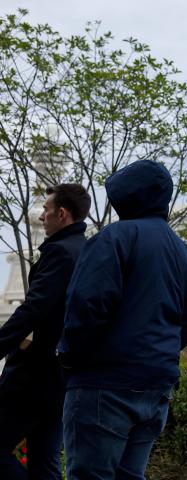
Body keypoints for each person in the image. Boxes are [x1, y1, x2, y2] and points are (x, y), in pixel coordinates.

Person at [58, 160, 187, 479]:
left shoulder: (115, 238)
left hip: (104, 384)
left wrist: (68, 357)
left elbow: (86, 306)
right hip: (155, 385)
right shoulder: (181, 250)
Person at [0, 184, 89, 480]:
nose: (41, 217)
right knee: (44, 460)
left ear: (61, 214)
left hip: (34, 376)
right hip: (61, 375)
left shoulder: (61, 253)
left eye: (46, 210)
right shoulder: (86, 250)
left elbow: (35, 308)